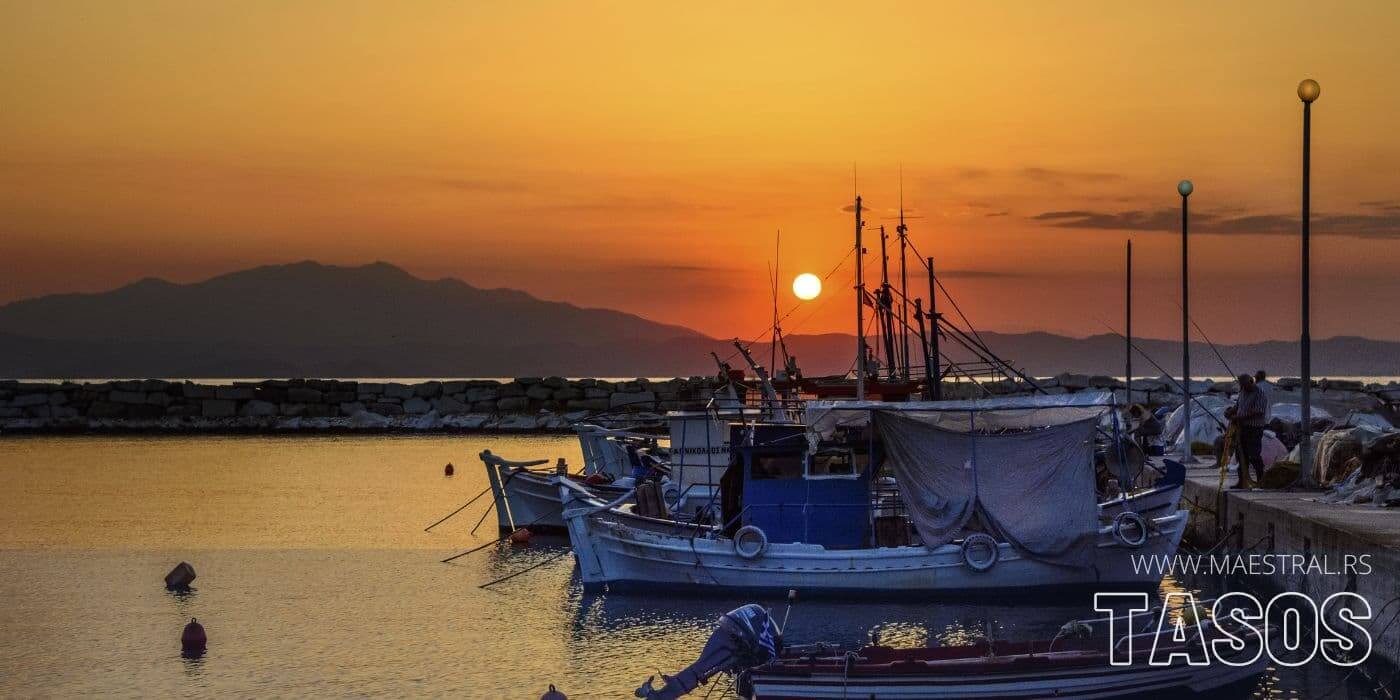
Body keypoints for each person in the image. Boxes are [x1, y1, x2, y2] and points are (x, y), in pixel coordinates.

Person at [1227, 374, 1268, 488]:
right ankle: (1242, 482)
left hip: (1254, 429)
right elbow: (1238, 405)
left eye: (1244, 384)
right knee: (1241, 456)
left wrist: (1239, 417)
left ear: (1250, 381)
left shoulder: (1259, 393)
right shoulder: (1243, 392)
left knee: (1254, 455)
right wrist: (1230, 412)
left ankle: (1261, 481)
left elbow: (1258, 411)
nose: (1243, 387)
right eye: (1241, 385)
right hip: (1242, 429)